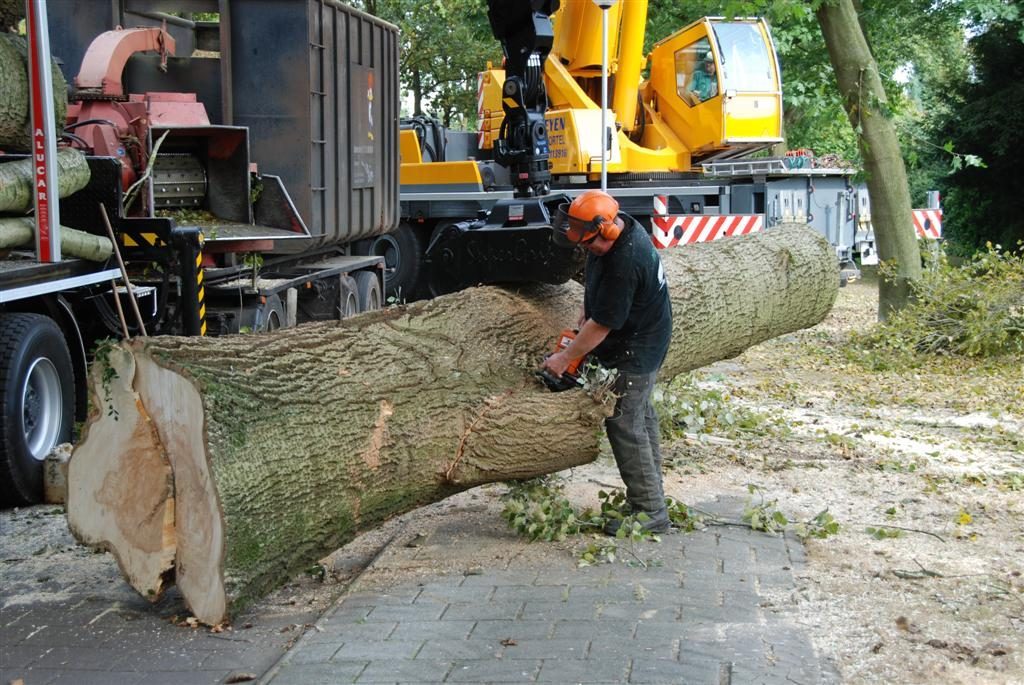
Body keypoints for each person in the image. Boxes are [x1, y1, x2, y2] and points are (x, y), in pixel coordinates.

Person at [542, 190, 673, 534]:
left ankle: (651, 512)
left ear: (607, 231)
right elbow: (597, 304)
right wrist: (585, 312)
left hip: (639, 344)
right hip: (638, 331)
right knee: (640, 416)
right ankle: (651, 494)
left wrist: (564, 358)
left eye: (589, 244)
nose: (586, 249)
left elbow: (602, 326)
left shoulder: (625, 261)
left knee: (624, 421)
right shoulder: (616, 230)